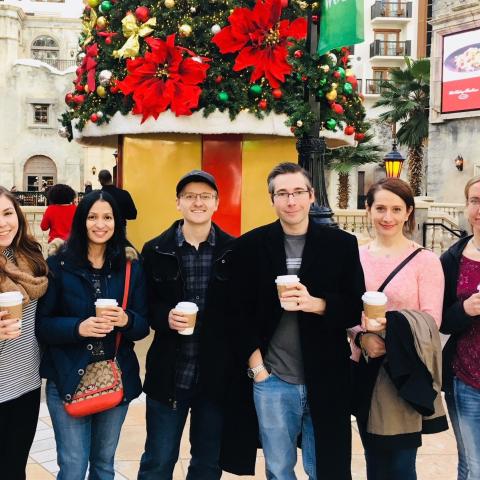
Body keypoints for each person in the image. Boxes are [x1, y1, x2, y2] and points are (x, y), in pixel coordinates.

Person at [220, 162, 365, 480]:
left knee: (325, 468)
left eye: (298, 192)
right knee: (279, 469)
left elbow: (355, 307)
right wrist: (258, 369)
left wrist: (319, 304)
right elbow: (235, 313)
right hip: (273, 380)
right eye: (282, 193)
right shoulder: (250, 247)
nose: (291, 201)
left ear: (311, 196)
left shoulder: (340, 245)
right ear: (272, 199)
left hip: (327, 375)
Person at [36, 190, 149, 480]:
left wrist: (126, 319)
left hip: (114, 375)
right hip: (68, 375)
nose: (100, 224)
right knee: (73, 468)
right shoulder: (59, 265)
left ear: (117, 222)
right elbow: (43, 326)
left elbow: (142, 326)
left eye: (108, 217)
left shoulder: (129, 266)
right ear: (81, 221)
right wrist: (78, 327)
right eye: (93, 217)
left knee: (103, 465)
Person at [138, 170, 234, 480]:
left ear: (216, 203)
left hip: (215, 376)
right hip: (170, 372)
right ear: (178, 203)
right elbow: (143, 306)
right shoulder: (155, 250)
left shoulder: (234, 250)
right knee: (158, 459)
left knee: (207, 463)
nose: (198, 202)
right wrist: (164, 316)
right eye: (190, 196)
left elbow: (242, 310)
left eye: (205, 196)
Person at [352, 178, 446, 480]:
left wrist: (389, 330)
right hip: (364, 369)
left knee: (401, 466)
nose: (387, 217)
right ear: (368, 209)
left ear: (408, 212)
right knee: (375, 462)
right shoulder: (355, 257)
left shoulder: (426, 261)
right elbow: (345, 310)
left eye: (396, 209)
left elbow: (431, 321)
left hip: (403, 372)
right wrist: (361, 335)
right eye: (380, 208)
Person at [0, 186, 48, 480]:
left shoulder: (29, 256)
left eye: (7, 213)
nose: (3, 223)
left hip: (25, 385)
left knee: (14, 469)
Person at [441, 175, 480, 480]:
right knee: (473, 465)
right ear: (467, 206)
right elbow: (439, 318)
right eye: (475, 201)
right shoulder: (452, 259)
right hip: (467, 379)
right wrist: (464, 310)